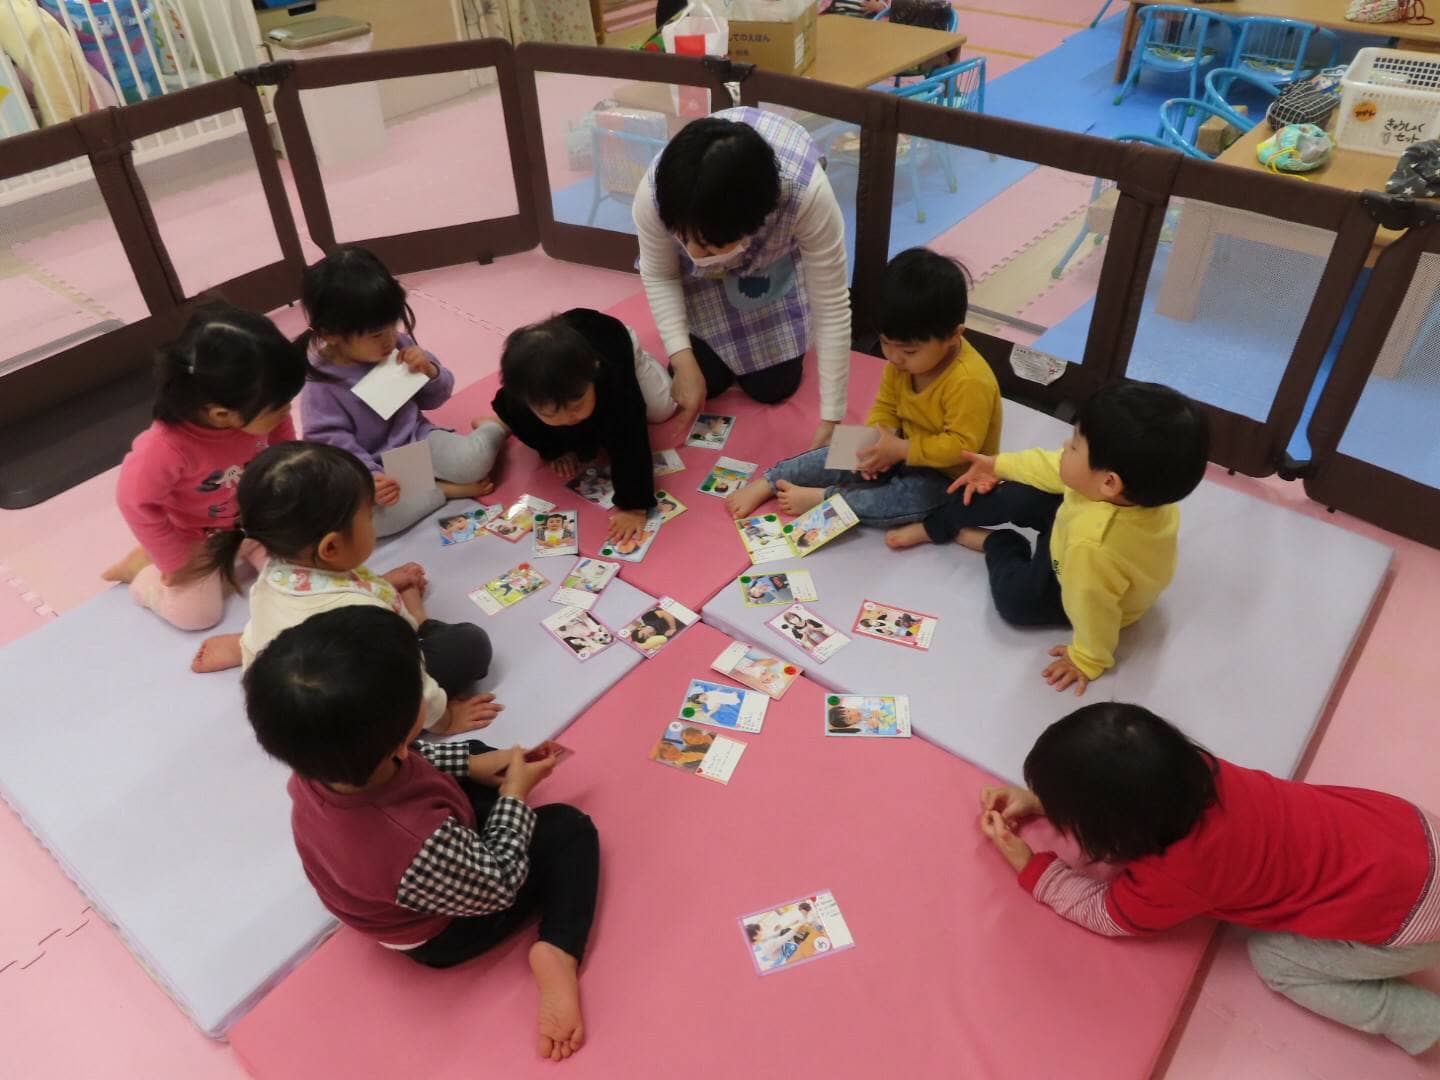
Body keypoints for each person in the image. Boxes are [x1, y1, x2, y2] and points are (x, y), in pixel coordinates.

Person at [979, 702, 1440, 1055]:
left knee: (1274, 960)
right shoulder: (1198, 771)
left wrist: (1032, 867)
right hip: (1417, 834)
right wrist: (1044, 802)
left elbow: (1109, 914)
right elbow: (1118, 799)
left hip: (1407, 926)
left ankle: (1422, 1021)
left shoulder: (1175, 876)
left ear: (1111, 831)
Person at [244, 606, 598, 1061]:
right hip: (446, 929)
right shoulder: (411, 841)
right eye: (421, 689)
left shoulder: (323, 767)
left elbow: (410, 764)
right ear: (396, 737)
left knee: (472, 752)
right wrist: (513, 794)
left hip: (401, 861)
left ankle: (484, 781)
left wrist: (470, 765)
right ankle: (557, 954)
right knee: (569, 831)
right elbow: (500, 883)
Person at [889, 381, 1209, 695]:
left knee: (1017, 605)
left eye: (1073, 446)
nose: (1064, 447)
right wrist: (998, 466)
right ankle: (937, 526)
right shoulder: (1130, 492)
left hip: (1070, 578)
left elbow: (1093, 610)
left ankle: (998, 543)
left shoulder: (1094, 551)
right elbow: (1049, 465)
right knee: (1015, 492)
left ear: (1109, 482)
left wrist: (1086, 659)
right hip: (1069, 531)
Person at [194, 441, 498, 735]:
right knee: (469, 645)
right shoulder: (365, 616)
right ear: (331, 546)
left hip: (293, 716)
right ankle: (420, 620)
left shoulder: (273, 573)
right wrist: (444, 719)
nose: (373, 524)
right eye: (368, 517)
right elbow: (410, 678)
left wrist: (382, 583)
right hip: (352, 725)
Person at [727, 248, 1000, 526]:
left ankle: (826, 499)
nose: (893, 357)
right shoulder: (901, 363)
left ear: (953, 336)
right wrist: (878, 444)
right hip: (899, 445)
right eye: (885, 343)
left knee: (906, 499)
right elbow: (886, 406)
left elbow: (961, 447)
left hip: (950, 473)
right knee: (844, 449)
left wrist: (900, 450)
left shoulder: (968, 381)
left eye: (908, 351)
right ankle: (770, 481)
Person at [634, 108, 851, 450]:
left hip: (767, 276)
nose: (691, 251)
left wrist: (832, 416)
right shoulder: (655, 195)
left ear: (754, 225)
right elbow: (660, 274)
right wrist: (682, 358)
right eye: (683, 238)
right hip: (700, 290)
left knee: (773, 387)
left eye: (707, 247)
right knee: (701, 380)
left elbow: (832, 304)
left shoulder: (806, 193)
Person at [103, 303, 307, 645]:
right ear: (222, 414)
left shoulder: (259, 411)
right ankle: (144, 574)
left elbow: (281, 449)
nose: (288, 411)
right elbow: (135, 501)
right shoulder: (166, 447)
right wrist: (174, 559)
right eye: (280, 407)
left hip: (253, 525)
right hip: (198, 544)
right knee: (198, 616)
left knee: (304, 571)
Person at [299, 246, 507, 537]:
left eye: (391, 326)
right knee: (371, 524)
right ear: (330, 334)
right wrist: (369, 478)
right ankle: (444, 490)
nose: (388, 339)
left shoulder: (396, 343)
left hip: (418, 439)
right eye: (375, 335)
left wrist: (430, 371)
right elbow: (332, 447)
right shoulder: (321, 384)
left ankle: (492, 428)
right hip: (375, 464)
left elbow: (436, 398)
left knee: (473, 463)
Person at [494, 309, 676, 544]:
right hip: (570, 356)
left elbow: (631, 439)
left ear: (593, 374)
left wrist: (634, 506)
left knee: (662, 411)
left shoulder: (610, 378)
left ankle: (642, 359)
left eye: (577, 404)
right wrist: (554, 451)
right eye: (551, 412)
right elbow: (519, 419)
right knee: (574, 425)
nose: (569, 417)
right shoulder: (517, 401)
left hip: (616, 343)